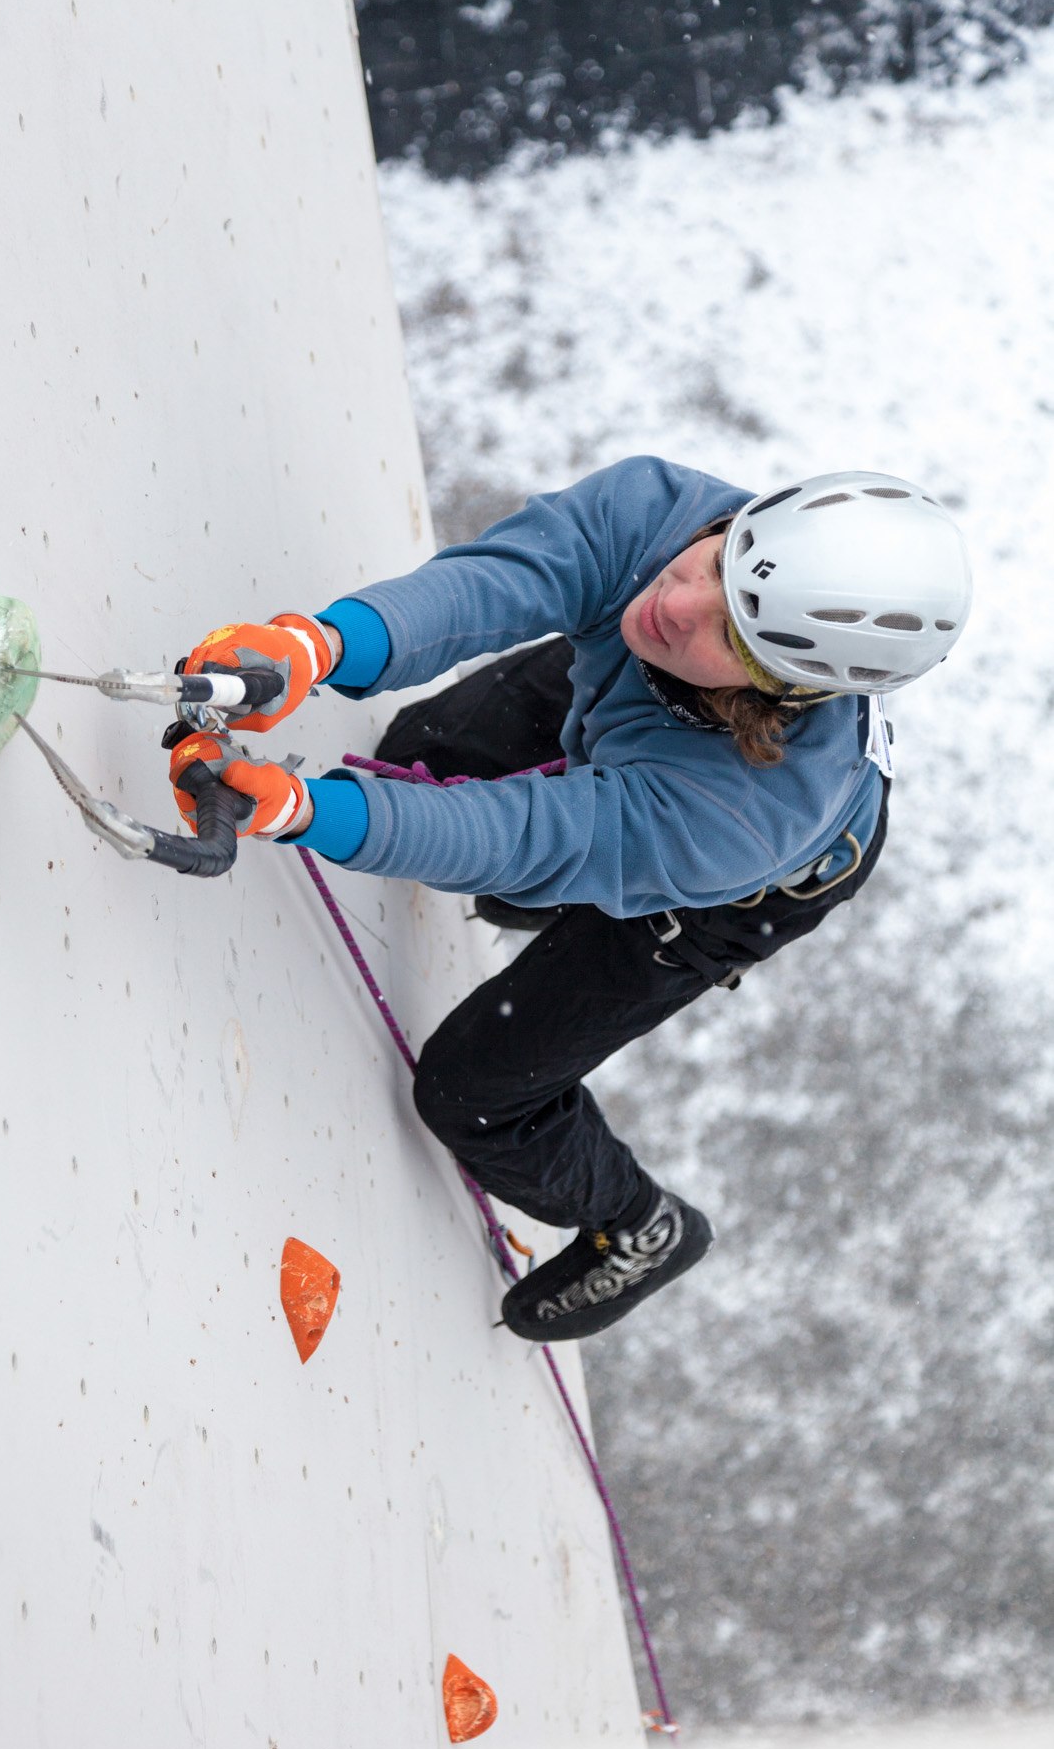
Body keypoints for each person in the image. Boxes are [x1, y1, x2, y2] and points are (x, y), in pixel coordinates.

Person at [169, 457, 972, 1342]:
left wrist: (304, 810)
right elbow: (497, 586)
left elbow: (521, 836)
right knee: (423, 753)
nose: (682, 600)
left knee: (473, 1090)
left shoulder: (739, 821)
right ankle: (557, 889)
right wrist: (317, 647)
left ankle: (639, 1226)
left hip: (731, 888)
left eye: (736, 636)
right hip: (648, 702)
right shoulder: (663, 525)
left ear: (779, 687)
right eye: (721, 561)